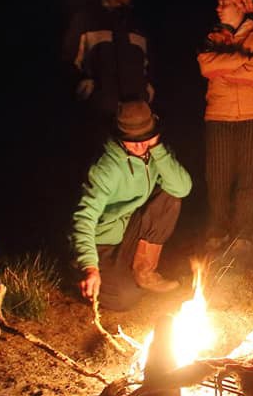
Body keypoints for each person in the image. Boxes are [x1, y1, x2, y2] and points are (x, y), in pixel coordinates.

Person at [71, 101, 191, 311]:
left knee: (170, 195)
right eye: (132, 140)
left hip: (127, 231)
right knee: (124, 299)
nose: (140, 146)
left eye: (145, 138)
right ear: (119, 136)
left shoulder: (154, 151)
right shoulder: (105, 168)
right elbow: (83, 219)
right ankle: (78, 270)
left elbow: (182, 188)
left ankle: (143, 271)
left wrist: (157, 148)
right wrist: (90, 267)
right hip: (101, 242)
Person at [196, 0, 253, 253]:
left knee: (249, 179)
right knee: (217, 177)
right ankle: (218, 230)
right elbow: (206, 66)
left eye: (225, 3)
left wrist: (225, 67)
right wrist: (243, 59)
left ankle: (242, 235)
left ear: (242, 6)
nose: (218, 8)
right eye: (218, 3)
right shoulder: (212, 37)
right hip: (219, 114)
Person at [62, 0, 155, 129]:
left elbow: (148, 65)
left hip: (135, 116)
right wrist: (86, 90)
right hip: (97, 116)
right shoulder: (86, 18)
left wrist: (147, 92)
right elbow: (68, 61)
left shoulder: (137, 23)